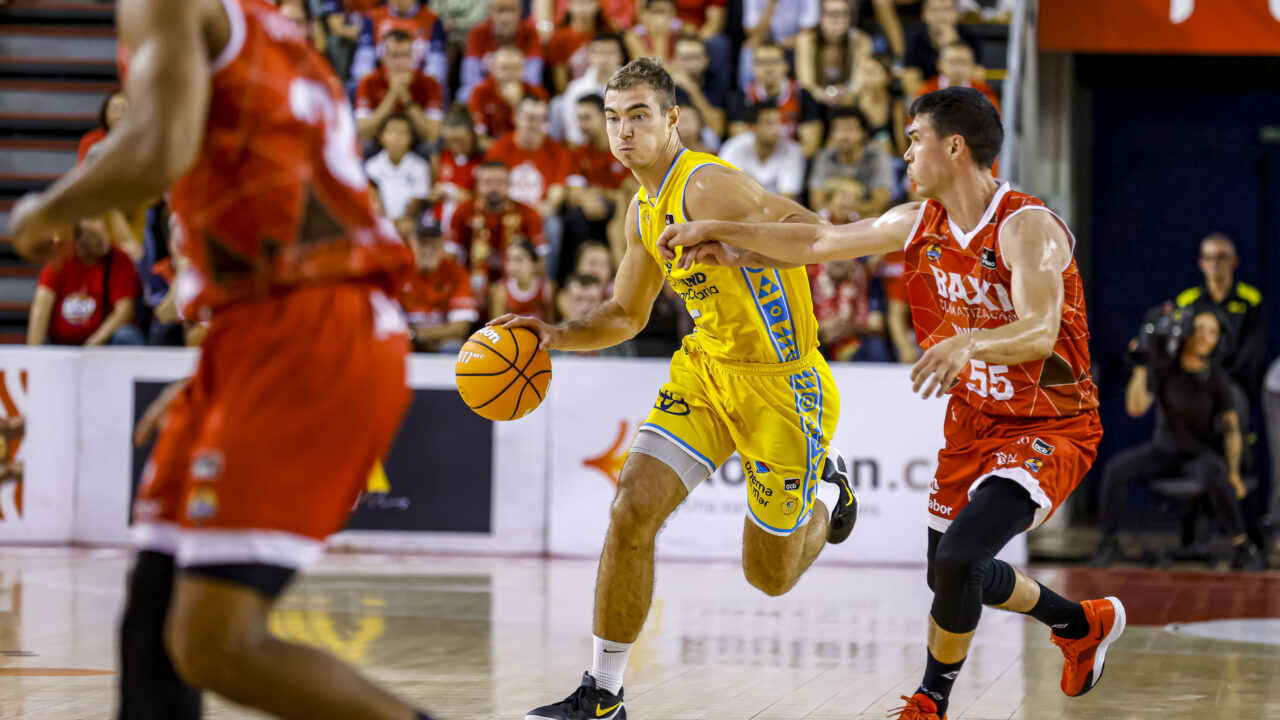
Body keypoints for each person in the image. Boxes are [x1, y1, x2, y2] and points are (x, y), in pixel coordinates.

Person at [7, 0, 435, 718]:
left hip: (303, 327)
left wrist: (43, 211)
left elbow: (155, 152)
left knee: (213, 644)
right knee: (153, 622)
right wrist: (227, 369)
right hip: (263, 328)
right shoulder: (267, 26)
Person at [659, 86, 1123, 720]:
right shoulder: (916, 221)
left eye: (914, 138)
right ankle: (1078, 625)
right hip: (974, 423)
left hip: (1051, 423)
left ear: (953, 146)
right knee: (949, 574)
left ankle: (929, 702)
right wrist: (724, 236)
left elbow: (1041, 331)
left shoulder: (1026, 227)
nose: (903, 151)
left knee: (961, 559)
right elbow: (819, 242)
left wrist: (968, 342)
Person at [492, 58, 857, 720]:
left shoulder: (708, 185)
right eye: (612, 118)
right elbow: (626, 315)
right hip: (707, 371)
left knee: (768, 576)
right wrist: (554, 333)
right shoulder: (640, 210)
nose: (624, 131)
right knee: (631, 507)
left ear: (671, 120)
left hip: (782, 384)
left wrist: (731, 243)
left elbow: (819, 236)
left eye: (638, 115)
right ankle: (603, 694)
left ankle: (828, 494)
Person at [1091, 310, 1261, 570]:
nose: (1205, 336)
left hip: (1198, 454)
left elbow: (1232, 430)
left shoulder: (1216, 378)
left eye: (1212, 332)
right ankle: (1109, 543)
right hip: (1165, 452)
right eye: (1200, 328)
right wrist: (1140, 365)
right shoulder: (1165, 368)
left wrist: (1235, 473)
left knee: (1216, 471)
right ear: (1188, 331)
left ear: (1218, 340)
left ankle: (1242, 547)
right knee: (1114, 470)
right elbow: (1136, 408)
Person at [1174, 233, 1267, 399]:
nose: (1215, 263)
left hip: (1235, 385)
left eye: (1221, 257)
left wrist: (1221, 382)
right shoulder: (1187, 301)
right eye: (1208, 258)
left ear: (1234, 261)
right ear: (1201, 263)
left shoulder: (1251, 300)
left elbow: (1254, 350)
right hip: (1194, 386)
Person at [27, 216, 142, 347]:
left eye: (104, 233)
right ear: (78, 238)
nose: (103, 242)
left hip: (102, 344)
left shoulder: (118, 258)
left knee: (127, 335)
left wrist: (91, 345)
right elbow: (42, 301)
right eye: (94, 238)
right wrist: (33, 352)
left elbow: (124, 311)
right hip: (60, 345)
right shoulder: (61, 255)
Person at [561, 94, 632, 279]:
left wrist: (600, 194)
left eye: (586, 118)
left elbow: (633, 191)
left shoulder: (627, 147)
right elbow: (573, 188)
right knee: (574, 218)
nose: (581, 125)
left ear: (605, 117)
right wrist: (587, 198)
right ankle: (576, 279)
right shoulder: (580, 152)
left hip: (623, 212)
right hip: (592, 213)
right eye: (578, 119)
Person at [728, 43, 824, 157]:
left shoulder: (801, 94)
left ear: (786, 65)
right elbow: (739, 139)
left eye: (774, 61)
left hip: (791, 160)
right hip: (755, 161)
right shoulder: (743, 96)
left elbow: (810, 146)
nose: (768, 68)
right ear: (754, 67)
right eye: (762, 62)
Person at [353, 28, 444, 143]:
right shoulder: (368, 82)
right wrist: (392, 96)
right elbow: (362, 133)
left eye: (405, 55)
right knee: (365, 146)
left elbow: (433, 135)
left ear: (412, 57)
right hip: (379, 142)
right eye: (394, 55)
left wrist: (406, 98)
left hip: (416, 142)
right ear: (384, 58)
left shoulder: (430, 84)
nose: (400, 62)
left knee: (431, 148)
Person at [400, 223, 480, 351]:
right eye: (423, 243)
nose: (427, 250)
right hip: (407, 342)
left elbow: (460, 328)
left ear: (442, 246)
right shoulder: (400, 271)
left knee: (452, 347)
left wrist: (416, 336)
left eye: (433, 245)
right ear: (412, 244)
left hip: (437, 343)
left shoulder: (456, 273)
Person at [807, 105, 895, 215]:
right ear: (831, 134)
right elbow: (816, 202)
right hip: (832, 221)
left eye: (850, 129)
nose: (844, 136)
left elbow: (880, 204)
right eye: (838, 129)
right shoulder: (824, 157)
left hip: (867, 221)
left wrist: (846, 208)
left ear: (863, 133)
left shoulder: (878, 157)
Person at [717, 102, 806, 201]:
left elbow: (788, 198)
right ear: (752, 127)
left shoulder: (793, 150)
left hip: (780, 213)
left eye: (779, 122)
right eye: (769, 123)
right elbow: (727, 192)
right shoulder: (733, 148)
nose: (777, 129)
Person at [460, 0, 543, 102]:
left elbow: (533, 78)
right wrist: (495, 91)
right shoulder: (478, 32)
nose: (506, 18)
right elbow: (470, 77)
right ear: (490, 12)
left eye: (511, 10)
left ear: (520, 12)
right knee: (464, 94)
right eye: (500, 11)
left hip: (520, 91)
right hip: (486, 91)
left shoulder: (530, 32)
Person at [794, 0, 873, 107]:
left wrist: (848, 94)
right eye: (831, 14)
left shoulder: (861, 40)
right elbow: (806, 82)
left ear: (850, 18)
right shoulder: (806, 40)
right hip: (816, 99)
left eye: (842, 14)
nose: (836, 20)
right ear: (821, 17)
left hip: (848, 99)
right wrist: (825, 96)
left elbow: (859, 81)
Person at [467, 46, 550, 143]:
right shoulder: (480, 92)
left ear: (523, 69)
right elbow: (478, 134)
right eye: (504, 68)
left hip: (525, 146)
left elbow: (542, 134)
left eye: (515, 68)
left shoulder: (537, 93)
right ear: (494, 70)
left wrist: (518, 103)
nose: (510, 74)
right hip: (492, 147)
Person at [902, 0, 982, 98]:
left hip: (962, 97)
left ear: (957, 13)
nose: (941, 16)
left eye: (947, 10)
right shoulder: (916, 39)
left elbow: (977, 77)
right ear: (924, 14)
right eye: (935, 10)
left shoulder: (969, 38)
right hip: (928, 99)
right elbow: (910, 81)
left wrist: (953, 44)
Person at [558, 32, 626, 146]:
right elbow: (573, 134)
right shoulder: (575, 89)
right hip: (587, 151)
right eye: (598, 52)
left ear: (620, 56)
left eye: (609, 53)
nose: (603, 58)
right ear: (589, 56)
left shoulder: (633, 87)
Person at [364, 115, 432, 221]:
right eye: (392, 132)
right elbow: (372, 199)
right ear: (381, 137)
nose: (397, 137)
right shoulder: (370, 166)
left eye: (402, 132)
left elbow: (418, 198)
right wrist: (386, 222)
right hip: (380, 221)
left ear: (410, 138)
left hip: (410, 222)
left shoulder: (421, 166)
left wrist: (404, 220)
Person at [917, 42, 999, 112]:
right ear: (940, 64)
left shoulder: (984, 91)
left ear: (972, 65)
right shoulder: (926, 90)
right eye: (952, 62)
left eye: (963, 62)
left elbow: (994, 125)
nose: (958, 68)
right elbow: (914, 125)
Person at [490, 239, 553, 320]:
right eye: (508, 259)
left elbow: (551, 326)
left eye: (519, 259)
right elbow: (497, 329)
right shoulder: (499, 290)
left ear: (534, 263)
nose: (512, 266)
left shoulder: (548, 289)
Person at [78, 91, 127, 165]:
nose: (119, 115)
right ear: (105, 113)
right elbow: (83, 171)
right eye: (115, 109)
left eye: (124, 110)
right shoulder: (91, 141)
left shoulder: (141, 141)